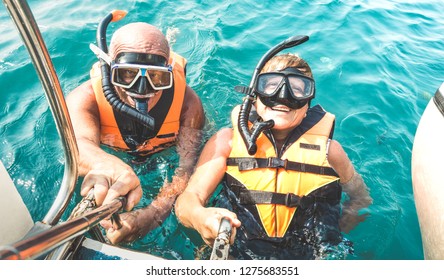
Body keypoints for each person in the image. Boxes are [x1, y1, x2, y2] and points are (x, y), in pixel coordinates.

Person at [175, 37, 372, 259]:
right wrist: (200, 217)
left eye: (298, 89)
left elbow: (361, 199)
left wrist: (334, 236)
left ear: (308, 103)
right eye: (270, 85)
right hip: (238, 253)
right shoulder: (226, 142)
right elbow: (187, 200)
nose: (282, 96)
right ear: (255, 96)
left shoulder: (330, 152)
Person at [66, 13, 204, 244]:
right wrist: (104, 163)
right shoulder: (85, 98)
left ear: (168, 72)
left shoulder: (188, 104)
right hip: (118, 156)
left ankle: (170, 37)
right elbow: (77, 145)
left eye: (156, 77)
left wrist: (154, 214)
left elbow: (186, 167)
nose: (141, 89)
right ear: (109, 68)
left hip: (162, 153)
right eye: (127, 74)